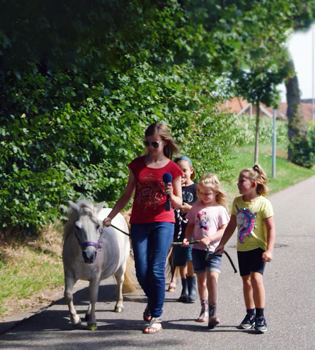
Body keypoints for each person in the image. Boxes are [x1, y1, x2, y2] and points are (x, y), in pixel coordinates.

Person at [103, 122, 182, 334]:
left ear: (164, 142)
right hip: (139, 222)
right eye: (146, 143)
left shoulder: (173, 169)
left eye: (154, 143)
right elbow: (127, 194)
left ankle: (156, 315)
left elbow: (178, 202)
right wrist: (111, 216)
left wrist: (170, 194)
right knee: (141, 270)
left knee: (156, 269)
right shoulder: (137, 165)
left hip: (163, 221)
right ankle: (154, 301)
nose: (149, 147)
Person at [215, 164, 276, 333]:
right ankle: (249, 314)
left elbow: (271, 229)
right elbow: (231, 225)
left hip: (258, 247)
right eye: (238, 181)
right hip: (242, 248)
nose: (238, 184)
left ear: (253, 184)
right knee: (245, 281)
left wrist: (269, 250)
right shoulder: (237, 202)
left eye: (242, 181)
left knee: (256, 279)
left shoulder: (264, 204)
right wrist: (222, 244)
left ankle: (260, 316)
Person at [182, 173, 229, 329]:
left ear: (216, 192)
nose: (203, 196)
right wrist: (187, 238)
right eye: (201, 193)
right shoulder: (196, 207)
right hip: (197, 249)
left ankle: (214, 313)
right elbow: (190, 225)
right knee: (201, 280)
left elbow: (224, 230)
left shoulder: (220, 209)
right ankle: (204, 309)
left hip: (214, 250)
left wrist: (210, 239)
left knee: (212, 279)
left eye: (207, 193)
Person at [171, 155, 198, 303]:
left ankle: (192, 286)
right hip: (177, 228)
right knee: (180, 259)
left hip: (191, 229)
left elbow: (202, 207)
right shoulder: (175, 190)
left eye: (185, 170)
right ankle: (184, 287)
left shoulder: (196, 188)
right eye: (178, 171)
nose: (182, 174)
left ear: (191, 171)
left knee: (189, 258)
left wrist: (190, 208)